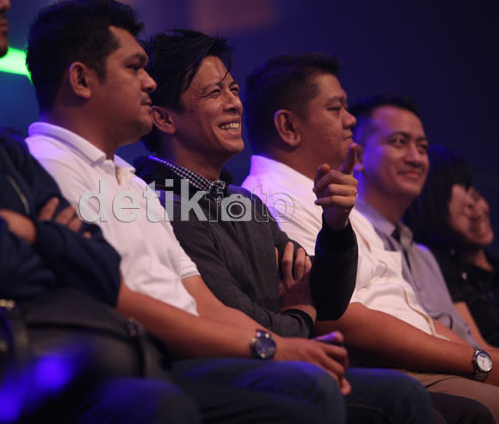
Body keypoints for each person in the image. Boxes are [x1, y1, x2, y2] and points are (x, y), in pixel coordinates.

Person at [24, 0, 380, 422]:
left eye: (233, 90)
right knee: (318, 388)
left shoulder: (137, 182)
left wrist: (335, 227)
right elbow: (120, 299)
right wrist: (288, 332)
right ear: (82, 79)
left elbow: (210, 303)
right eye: (134, 68)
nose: (148, 82)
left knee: (392, 393)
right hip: (148, 361)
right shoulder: (59, 170)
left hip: (192, 352)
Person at [0, 0, 203, 422]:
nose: (2, 1)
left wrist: (35, 235)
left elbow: (104, 268)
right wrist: (56, 245)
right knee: (160, 405)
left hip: (46, 360)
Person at [132, 29, 446, 424]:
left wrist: (335, 225)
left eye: (233, 89)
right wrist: (300, 314)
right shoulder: (164, 203)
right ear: (163, 117)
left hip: (281, 358)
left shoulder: (241, 201)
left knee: (403, 394)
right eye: (214, 93)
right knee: (389, 395)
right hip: (231, 367)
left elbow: (327, 300)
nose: (235, 103)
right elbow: (240, 319)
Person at [240, 53, 499, 422]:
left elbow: (411, 311)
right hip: (390, 371)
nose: (350, 119)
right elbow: (334, 317)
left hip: (425, 365)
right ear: (288, 126)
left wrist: (480, 359)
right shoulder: (272, 199)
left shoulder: (334, 197)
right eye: (336, 108)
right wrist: (476, 361)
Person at [404, 143, 499, 353]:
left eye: (475, 196)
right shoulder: (440, 269)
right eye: (464, 207)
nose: (478, 211)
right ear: (434, 215)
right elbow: (477, 347)